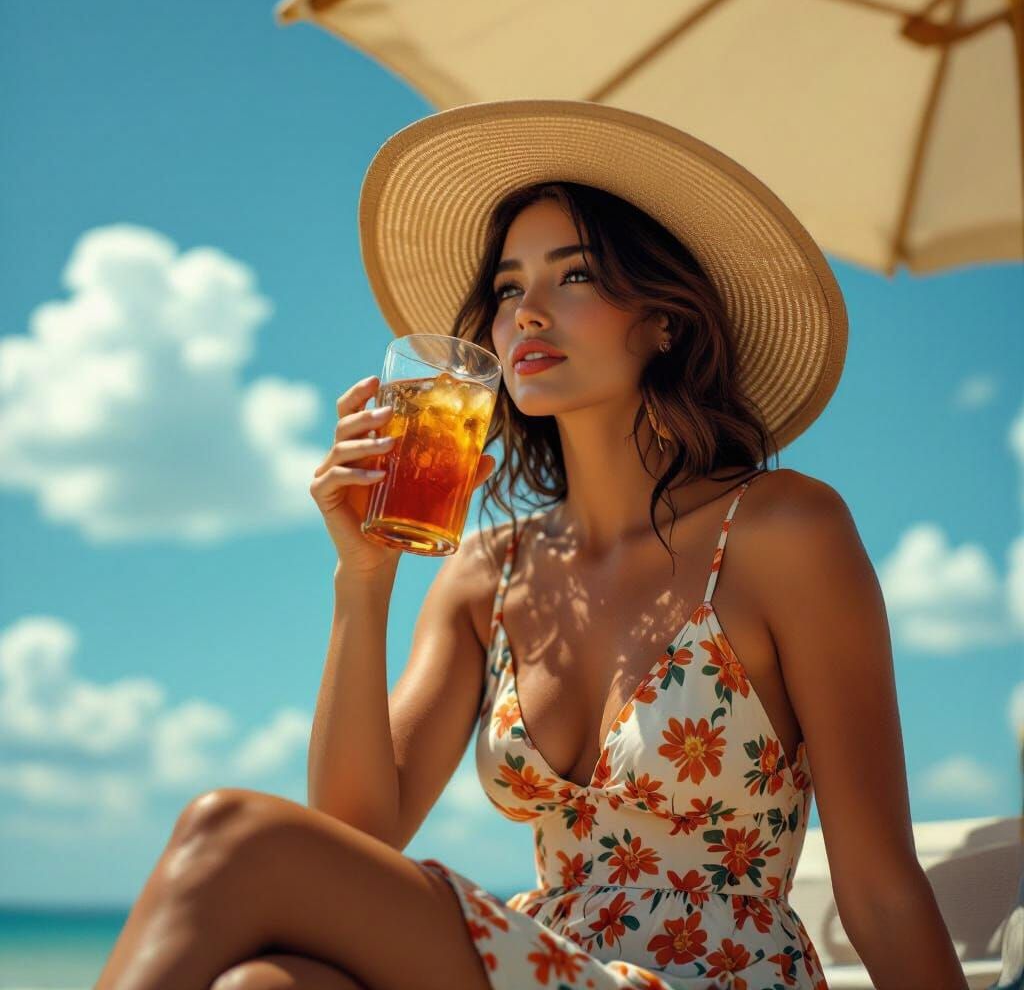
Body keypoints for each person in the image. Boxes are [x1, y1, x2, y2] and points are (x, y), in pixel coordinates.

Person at [94, 100, 968, 990]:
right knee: (265, 987)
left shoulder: (783, 530)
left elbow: (879, 885)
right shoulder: (489, 572)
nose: (529, 315)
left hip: (719, 973)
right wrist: (363, 578)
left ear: (663, 320)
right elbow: (356, 838)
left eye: (575, 276)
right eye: (509, 289)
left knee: (230, 834)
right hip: (553, 962)